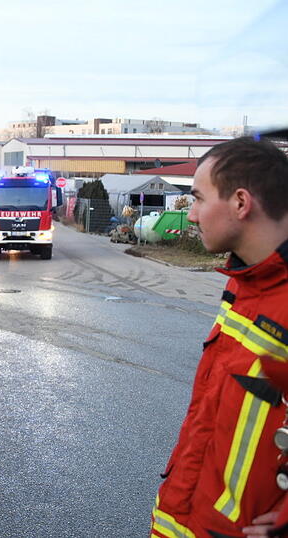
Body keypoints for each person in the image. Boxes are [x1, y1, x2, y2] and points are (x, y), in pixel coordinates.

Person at [151, 136, 288, 538]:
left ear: (241, 203)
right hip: (186, 517)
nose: (191, 216)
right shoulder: (243, 282)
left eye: (198, 199)